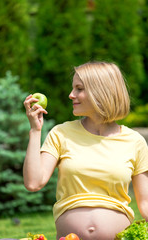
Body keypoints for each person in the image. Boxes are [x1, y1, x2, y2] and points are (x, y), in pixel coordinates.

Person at [23, 61, 148, 240]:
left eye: (79, 89)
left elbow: (145, 203)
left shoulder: (134, 141)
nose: (71, 95)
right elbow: (34, 183)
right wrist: (35, 130)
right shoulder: (61, 133)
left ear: (101, 91)